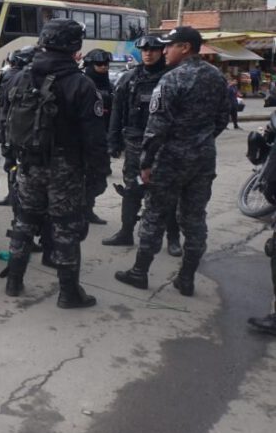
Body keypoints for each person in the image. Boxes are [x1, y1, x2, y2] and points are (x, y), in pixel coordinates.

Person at [114, 26, 229, 297]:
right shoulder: (217, 77)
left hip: (170, 160)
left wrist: (146, 162)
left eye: (170, 46)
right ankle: (186, 278)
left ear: (185, 47)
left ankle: (139, 272)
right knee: (195, 218)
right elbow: (223, 118)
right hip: (203, 159)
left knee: (154, 214)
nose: (164, 51)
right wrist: (200, 140)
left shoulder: (172, 79)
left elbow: (156, 127)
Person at [3, 19, 110, 308]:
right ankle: (68, 293)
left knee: (23, 222)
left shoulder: (19, 77)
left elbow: (5, 121)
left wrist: (10, 158)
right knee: (66, 227)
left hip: (28, 164)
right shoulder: (80, 84)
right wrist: (100, 175)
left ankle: (14, 281)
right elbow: (95, 138)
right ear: (74, 46)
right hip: (65, 168)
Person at [103, 35, 182, 256]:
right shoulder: (129, 78)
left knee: (167, 194)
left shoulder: (171, 77)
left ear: (161, 51)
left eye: (153, 49)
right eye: (144, 49)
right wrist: (113, 142)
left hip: (164, 145)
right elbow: (117, 112)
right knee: (131, 190)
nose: (148, 53)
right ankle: (126, 231)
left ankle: (173, 237)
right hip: (134, 143)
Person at [0, 46, 35, 207]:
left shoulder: (10, 75)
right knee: (20, 164)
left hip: (9, 126)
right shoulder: (24, 77)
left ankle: (13, 195)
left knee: (12, 162)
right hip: (21, 128)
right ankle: (18, 196)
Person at [81, 49, 114, 225]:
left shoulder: (109, 84)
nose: (103, 67)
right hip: (84, 141)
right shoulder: (82, 83)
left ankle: (87, 209)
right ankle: (79, 210)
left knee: (99, 180)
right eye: (99, 64)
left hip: (102, 139)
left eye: (106, 64)